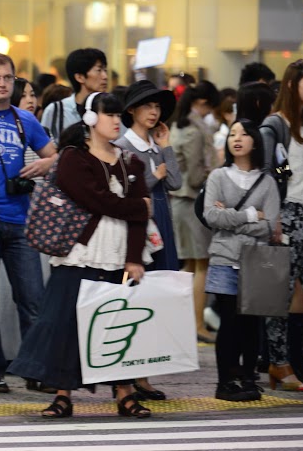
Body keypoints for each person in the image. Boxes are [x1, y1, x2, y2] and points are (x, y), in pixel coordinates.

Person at [9, 92, 153, 419]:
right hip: (80, 253)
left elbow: (139, 218)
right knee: (65, 324)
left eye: (119, 115)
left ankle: (124, 392)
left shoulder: (132, 162)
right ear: (91, 119)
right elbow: (98, 201)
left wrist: (134, 258)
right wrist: (138, 206)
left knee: (117, 324)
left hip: (119, 255)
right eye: (109, 114)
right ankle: (62, 394)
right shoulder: (73, 159)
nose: (116, 121)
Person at [0, 55, 55, 394]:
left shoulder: (26, 120)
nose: (2, 84)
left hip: (21, 221)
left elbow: (57, 155)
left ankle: (35, 369)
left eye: (7, 77)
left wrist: (44, 164)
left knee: (33, 300)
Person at [203, 120, 286, 401]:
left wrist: (232, 218)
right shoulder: (218, 176)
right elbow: (211, 217)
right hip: (224, 258)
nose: (236, 139)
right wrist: (252, 215)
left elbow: (271, 226)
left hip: (256, 260)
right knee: (229, 323)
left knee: (252, 323)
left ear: (255, 141)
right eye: (232, 134)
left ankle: (249, 378)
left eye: (244, 134)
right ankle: (225, 381)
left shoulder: (268, 181)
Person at [113, 80, 181, 400]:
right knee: (136, 299)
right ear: (131, 111)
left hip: (162, 226)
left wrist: (166, 144)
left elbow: (178, 182)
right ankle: (129, 376)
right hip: (141, 229)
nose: (154, 112)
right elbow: (128, 190)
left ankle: (143, 376)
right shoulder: (123, 146)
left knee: (155, 299)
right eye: (147, 106)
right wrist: (156, 176)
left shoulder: (155, 145)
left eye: (157, 107)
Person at [261, 59, 303, 388]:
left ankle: (289, 360)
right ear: (293, 84)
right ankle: (279, 363)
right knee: (279, 294)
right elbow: (266, 175)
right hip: (287, 214)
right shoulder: (275, 124)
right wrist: (274, 217)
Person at [169, 80, 220, 344]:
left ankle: (185, 321)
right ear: (203, 103)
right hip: (191, 201)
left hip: (179, 201)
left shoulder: (179, 124)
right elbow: (197, 171)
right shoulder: (195, 129)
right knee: (201, 263)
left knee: (189, 264)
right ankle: (197, 324)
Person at [41, 48, 109, 141]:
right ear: (80, 77)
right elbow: (44, 145)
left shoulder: (110, 109)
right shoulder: (57, 110)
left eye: (105, 70)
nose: (105, 76)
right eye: (99, 70)